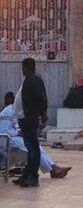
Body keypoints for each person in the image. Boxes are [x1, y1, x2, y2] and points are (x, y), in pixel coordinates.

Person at [0, 90, 70, 181]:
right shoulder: (8, 112)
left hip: (13, 138)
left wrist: (20, 131)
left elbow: (14, 127)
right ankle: (53, 169)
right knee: (32, 147)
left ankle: (53, 168)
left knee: (36, 146)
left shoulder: (17, 111)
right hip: (5, 140)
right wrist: (17, 132)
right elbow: (3, 131)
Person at [13, 58, 49, 187]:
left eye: (23, 67)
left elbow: (41, 98)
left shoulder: (34, 80)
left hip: (30, 119)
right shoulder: (28, 80)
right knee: (30, 148)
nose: (22, 70)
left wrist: (43, 113)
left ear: (27, 67)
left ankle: (33, 177)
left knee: (33, 148)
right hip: (24, 118)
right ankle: (27, 174)